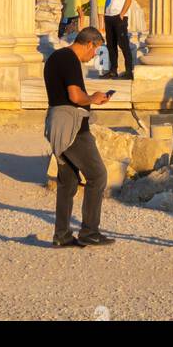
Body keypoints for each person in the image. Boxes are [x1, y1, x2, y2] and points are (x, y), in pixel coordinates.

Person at [44, 25, 114, 248]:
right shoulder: (70, 59)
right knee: (98, 176)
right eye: (95, 50)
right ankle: (89, 232)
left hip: (57, 124)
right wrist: (93, 98)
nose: (94, 55)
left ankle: (62, 235)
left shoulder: (57, 57)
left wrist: (92, 99)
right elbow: (75, 96)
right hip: (72, 127)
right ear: (89, 43)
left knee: (69, 181)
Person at [103, 0, 135, 80]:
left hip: (119, 17)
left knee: (123, 44)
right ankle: (113, 70)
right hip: (109, 15)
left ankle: (128, 71)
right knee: (110, 44)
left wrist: (122, 14)